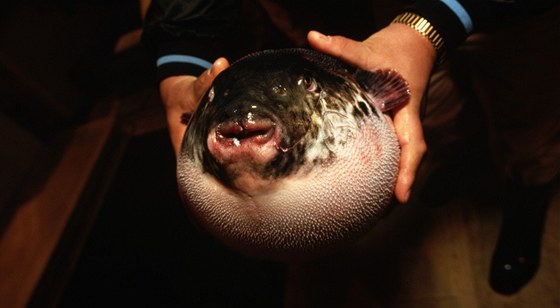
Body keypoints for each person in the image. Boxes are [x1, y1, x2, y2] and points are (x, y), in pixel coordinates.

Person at [142, 0, 559, 294]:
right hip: (396, 8)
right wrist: (180, 57)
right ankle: (464, 161)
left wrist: (442, 17)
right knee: (435, 112)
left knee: (529, 115)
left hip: (516, 14)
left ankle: (528, 192)